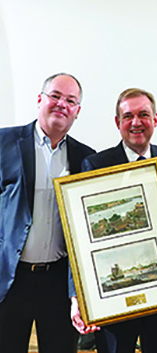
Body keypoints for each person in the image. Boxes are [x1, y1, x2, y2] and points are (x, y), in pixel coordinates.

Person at [71, 87, 157, 353]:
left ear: (155, 119)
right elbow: (81, 237)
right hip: (113, 298)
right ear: (118, 123)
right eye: (128, 116)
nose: (136, 122)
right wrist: (79, 294)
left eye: (143, 115)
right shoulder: (96, 164)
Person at [0, 73, 96, 353]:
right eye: (55, 96)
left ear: (77, 111)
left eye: (70, 100)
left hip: (58, 281)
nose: (61, 104)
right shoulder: (4, 142)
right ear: (39, 99)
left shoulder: (86, 158)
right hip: (10, 277)